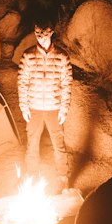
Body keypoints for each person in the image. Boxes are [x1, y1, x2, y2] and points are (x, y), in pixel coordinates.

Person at [17, 21, 72, 191]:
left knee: (58, 145)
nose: (40, 36)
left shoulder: (62, 57)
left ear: (51, 32)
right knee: (32, 144)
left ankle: (63, 178)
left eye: (43, 32)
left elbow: (66, 84)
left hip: (53, 108)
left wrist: (64, 108)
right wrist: (24, 106)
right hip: (34, 108)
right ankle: (31, 176)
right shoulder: (28, 56)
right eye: (37, 33)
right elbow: (22, 82)